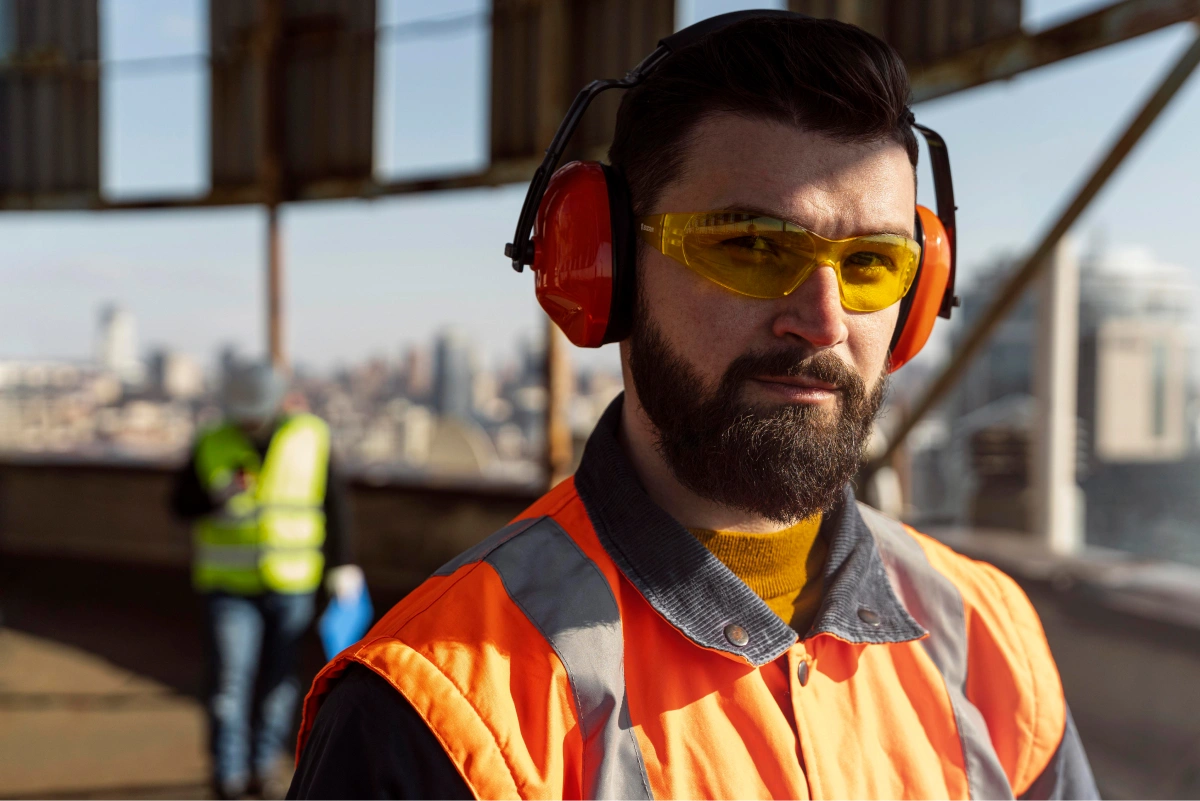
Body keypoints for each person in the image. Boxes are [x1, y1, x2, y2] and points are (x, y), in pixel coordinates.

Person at [290, 12, 1097, 800]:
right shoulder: (440, 709)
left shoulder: (993, 639)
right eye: (751, 245)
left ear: (916, 299)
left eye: (872, 263)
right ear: (605, 271)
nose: (823, 320)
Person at [170, 361, 362, 799]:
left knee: (280, 682)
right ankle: (229, 776)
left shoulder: (312, 436)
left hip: (292, 581)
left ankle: (264, 766)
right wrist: (215, 497)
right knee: (229, 683)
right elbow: (179, 505)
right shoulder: (212, 440)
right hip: (227, 584)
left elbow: (336, 505)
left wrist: (344, 565)